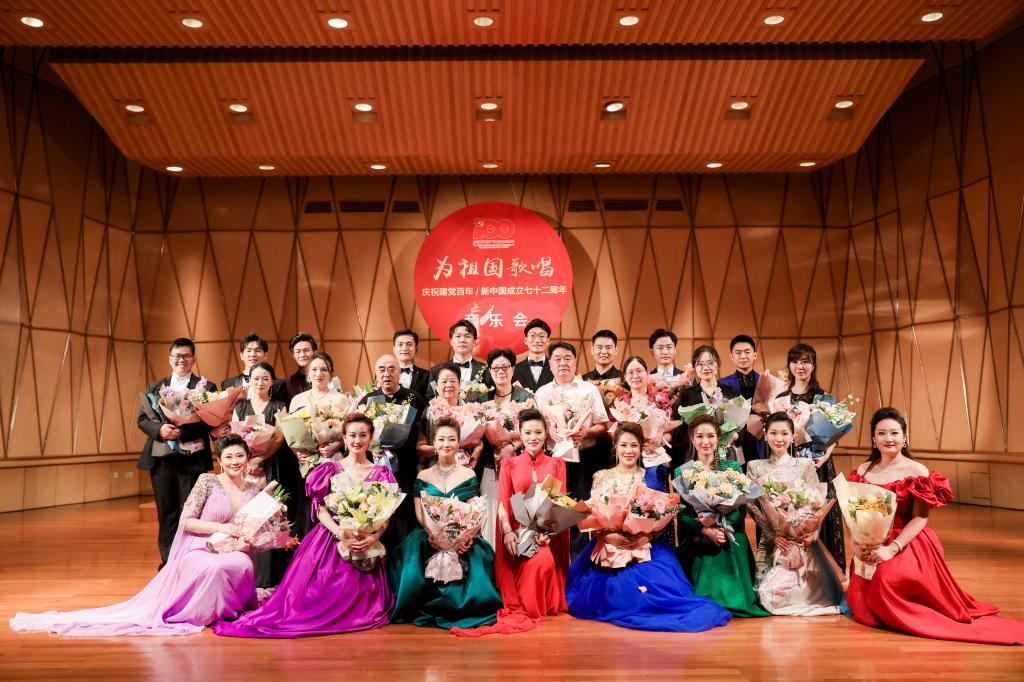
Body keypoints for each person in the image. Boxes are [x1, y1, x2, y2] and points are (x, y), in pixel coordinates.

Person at [11, 434, 264, 636]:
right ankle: (203, 613)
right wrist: (220, 528)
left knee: (241, 563)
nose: (234, 461)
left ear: (247, 458)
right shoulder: (207, 481)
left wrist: (251, 538)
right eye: (228, 456)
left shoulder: (255, 488)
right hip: (200, 546)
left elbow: (252, 523)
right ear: (220, 459)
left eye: (239, 456)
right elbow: (186, 521)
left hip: (233, 547)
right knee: (213, 567)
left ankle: (233, 610)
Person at [846, 407, 1024, 645]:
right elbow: (855, 516)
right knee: (861, 594)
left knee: (886, 580)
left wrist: (891, 549)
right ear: (873, 439)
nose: (889, 438)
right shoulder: (863, 470)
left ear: (904, 437)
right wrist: (855, 543)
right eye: (882, 433)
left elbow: (920, 518)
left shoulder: (917, 471)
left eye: (894, 433)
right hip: (872, 540)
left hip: (907, 540)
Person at [212, 413, 395, 638]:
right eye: (352, 435)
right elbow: (321, 510)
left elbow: (385, 515)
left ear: (370, 437)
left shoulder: (382, 474)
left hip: (365, 542)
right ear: (344, 438)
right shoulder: (329, 469)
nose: (357, 440)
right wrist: (340, 533)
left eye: (363, 435)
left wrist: (373, 537)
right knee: (311, 598)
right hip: (332, 537)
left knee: (364, 604)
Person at [566, 423, 732, 632]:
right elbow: (593, 514)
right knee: (616, 590)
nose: (629, 451)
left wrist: (647, 537)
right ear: (615, 447)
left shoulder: (651, 476)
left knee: (659, 587)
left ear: (641, 448)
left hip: (645, 545)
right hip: (609, 546)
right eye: (624, 445)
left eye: (634, 445)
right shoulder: (601, 476)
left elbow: (662, 515)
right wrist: (607, 537)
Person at [451, 409, 570, 637]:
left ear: (546, 433)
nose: (533, 437)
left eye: (538, 432)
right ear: (520, 434)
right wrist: (507, 531)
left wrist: (546, 533)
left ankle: (536, 604)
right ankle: (523, 599)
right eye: (528, 432)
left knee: (543, 560)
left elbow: (559, 501)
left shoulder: (557, 464)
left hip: (546, 532)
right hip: (517, 530)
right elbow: (504, 502)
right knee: (531, 557)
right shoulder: (509, 464)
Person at [388, 417, 502, 630]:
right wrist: (435, 535)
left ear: (459, 443)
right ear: (434, 442)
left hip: (461, 534)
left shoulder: (468, 473)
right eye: (441, 439)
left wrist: (465, 536)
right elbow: (420, 512)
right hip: (429, 535)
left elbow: (473, 510)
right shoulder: (423, 475)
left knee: (476, 561)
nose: (446, 444)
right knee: (411, 565)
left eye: (451, 439)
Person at [747, 412, 843, 616]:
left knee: (808, 593)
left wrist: (811, 533)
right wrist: (774, 535)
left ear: (792, 437)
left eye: (784, 433)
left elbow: (815, 502)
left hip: (801, 542)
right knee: (764, 596)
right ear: (765, 435)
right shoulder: (754, 466)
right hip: (772, 540)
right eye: (773, 433)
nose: (779, 438)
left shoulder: (804, 465)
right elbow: (752, 507)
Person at [136, 338, 219, 569]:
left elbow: (211, 421)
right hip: (162, 459)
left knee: (191, 513)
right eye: (177, 356)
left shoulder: (206, 387)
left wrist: (182, 431)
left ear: (194, 359)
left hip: (193, 460)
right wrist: (160, 430)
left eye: (186, 356)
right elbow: (143, 420)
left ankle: (190, 560)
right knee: (166, 512)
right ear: (170, 359)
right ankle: (168, 562)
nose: (181, 360)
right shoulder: (156, 386)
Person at [676, 414, 769, 617]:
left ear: (718, 438)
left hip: (730, 532)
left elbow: (741, 508)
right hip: (699, 536)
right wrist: (705, 529)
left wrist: (722, 526)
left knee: (732, 541)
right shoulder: (683, 472)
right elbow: (681, 515)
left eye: (710, 436)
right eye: (700, 436)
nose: (705, 441)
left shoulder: (732, 468)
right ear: (692, 439)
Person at [774, 343, 845, 568]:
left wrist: (824, 456)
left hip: (818, 464)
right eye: (795, 361)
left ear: (813, 365)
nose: (800, 366)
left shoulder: (824, 398)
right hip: (791, 467)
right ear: (789, 366)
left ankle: (827, 573)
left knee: (820, 515)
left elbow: (834, 434)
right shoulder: (781, 399)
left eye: (805, 362)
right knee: (792, 514)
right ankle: (795, 571)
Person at [465, 347, 534, 546]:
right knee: (492, 514)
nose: (500, 371)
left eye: (505, 367)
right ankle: (493, 556)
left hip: (519, 465)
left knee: (519, 512)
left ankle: (521, 551)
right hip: (489, 465)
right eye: (495, 368)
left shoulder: (525, 398)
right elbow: (475, 434)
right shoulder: (482, 400)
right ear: (490, 370)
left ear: (513, 369)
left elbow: (534, 431)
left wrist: (511, 446)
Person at [233, 361, 292, 587]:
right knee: (246, 518)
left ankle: (270, 577)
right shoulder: (240, 407)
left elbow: (279, 438)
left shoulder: (279, 406)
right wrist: (248, 460)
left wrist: (260, 458)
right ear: (249, 380)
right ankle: (244, 574)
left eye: (265, 379)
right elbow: (235, 440)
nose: (260, 382)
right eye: (256, 378)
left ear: (272, 382)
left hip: (271, 467)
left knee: (269, 519)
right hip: (245, 470)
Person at [359, 354, 428, 542]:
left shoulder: (414, 399)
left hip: (406, 470)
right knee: (378, 519)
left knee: (406, 522)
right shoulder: (368, 401)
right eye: (382, 369)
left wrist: (421, 463)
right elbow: (356, 436)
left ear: (399, 372)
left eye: (392, 369)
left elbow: (424, 433)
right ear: (376, 373)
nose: (387, 374)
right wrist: (370, 447)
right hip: (376, 472)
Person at [534, 342, 610, 504]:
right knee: (555, 505)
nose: (563, 363)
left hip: (585, 458)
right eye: (557, 359)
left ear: (575, 362)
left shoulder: (589, 390)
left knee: (581, 506)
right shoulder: (541, 393)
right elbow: (534, 427)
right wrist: (548, 432)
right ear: (550, 364)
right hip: (553, 458)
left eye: (567, 358)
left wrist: (584, 433)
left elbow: (603, 425)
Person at [288, 351, 349, 537]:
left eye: (324, 369)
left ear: (331, 373)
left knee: (331, 505)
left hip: (332, 460)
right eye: (314, 369)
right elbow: (291, 430)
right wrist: (297, 452)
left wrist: (335, 446)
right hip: (307, 463)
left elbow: (348, 432)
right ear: (308, 373)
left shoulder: (340, 399)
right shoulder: (298, 400)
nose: (318, 374)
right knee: (308, 508)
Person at [674, 345, 740, 466]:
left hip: (726, 451)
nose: (706, 368)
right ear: (694, 367)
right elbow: (680, 428)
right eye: (700, 364)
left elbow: (740, 424)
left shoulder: (731, 392)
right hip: (696, 454)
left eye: (711, 363)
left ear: (718, 364)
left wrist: (734, 435)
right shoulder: (687, 394)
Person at [416, 363, 484, 470]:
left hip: (463, 469)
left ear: (460, 384)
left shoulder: (470, 410)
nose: (448, 385)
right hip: (435, 468)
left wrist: (471, 466)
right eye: (444, 381)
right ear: (436, 387)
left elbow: (479, 445)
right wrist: (443, 448)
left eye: (453, 381)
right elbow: (420, 447)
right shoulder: (429, 412)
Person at [719, 334, 761, 465]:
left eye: (747, 352)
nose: (743, 356)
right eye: (738, 353)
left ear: (755, 355)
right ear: (731, 356)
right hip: (734, 441)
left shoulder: (765, 381)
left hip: (760, 442)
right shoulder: (722, 384)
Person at [222, 333, 288, 403]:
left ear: (265, 355)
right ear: (242, 356)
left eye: (257, 350)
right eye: (248, 351)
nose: (253, 354)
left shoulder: (278, 385)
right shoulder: (228, 384)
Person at [429, 319, 488, 397]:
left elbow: (491, 398)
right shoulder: (436, 370)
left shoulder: (486, 370)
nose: (462, 340)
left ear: (474, 342)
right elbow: (430, 397)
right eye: (458, 336)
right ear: (451, 342)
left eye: (467, 336)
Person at [512, 318, 553, 392]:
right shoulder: (514, 370)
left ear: (548, 341)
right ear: (526, 340)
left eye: (542, 336)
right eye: (532, 335)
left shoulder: (556, 368)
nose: (537, 340)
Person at [393, 327, 431, 401]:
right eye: (400, 344)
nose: (404, 348)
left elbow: (430, 401)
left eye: (409, 344)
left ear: (416, 349)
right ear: (394, 349)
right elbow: (378, 400)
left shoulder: (427, 375)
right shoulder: (384, 373)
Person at [284, 332, 317, 403]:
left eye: (306, 350)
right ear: (293, 355)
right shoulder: (287, 384)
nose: (302, 355)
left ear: (314, 352)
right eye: (298, 352)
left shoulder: (326, 379)